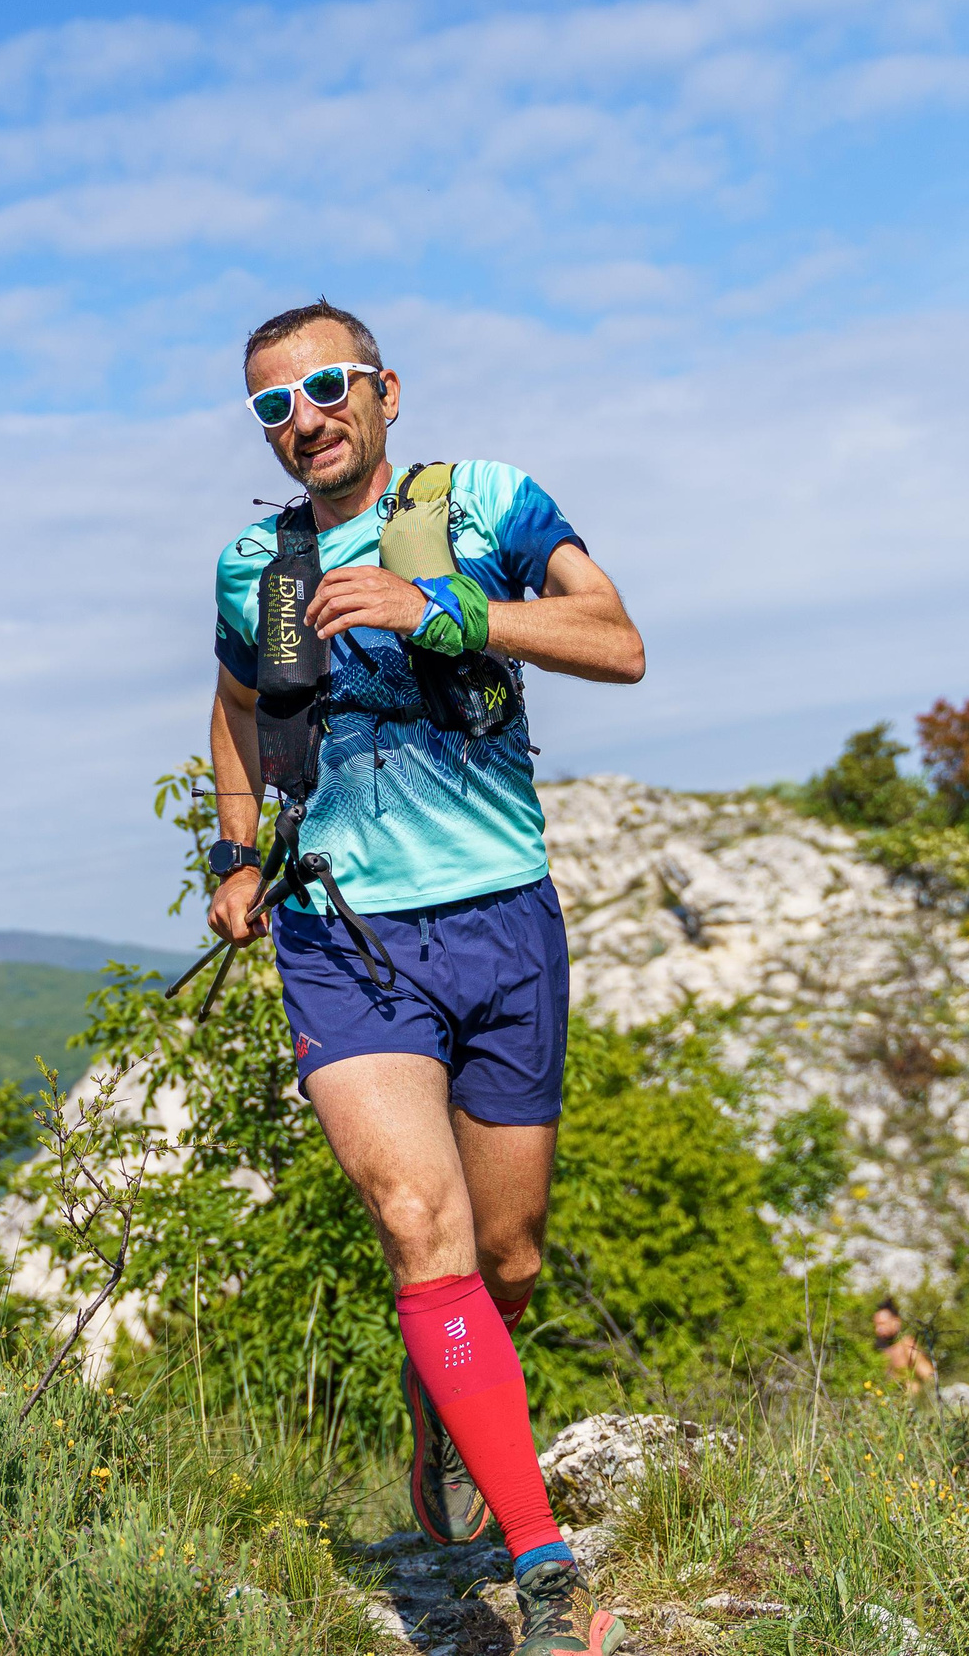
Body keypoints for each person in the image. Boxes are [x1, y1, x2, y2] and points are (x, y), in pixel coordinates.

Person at [205, 300, 645, 1656]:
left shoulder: (490, 503)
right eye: (272, 405)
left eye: (324, 388)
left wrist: (438, 604)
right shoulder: (254, 567)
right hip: (343, 932)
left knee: (501, 1262)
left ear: (384, 389)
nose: (303, 420)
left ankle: (438, 1398)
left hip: (502, 918)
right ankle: (543, 1565)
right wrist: (235, 849)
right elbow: (233, 706)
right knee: (418, 1220)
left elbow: (616, 640)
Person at [872, 1299, 937, 1390]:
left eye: (882, 1324)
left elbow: (929, 1376)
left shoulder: (907, 1345)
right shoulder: (878, 1350)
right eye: (876, 1325)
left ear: (896, 1322)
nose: (878, 1329)